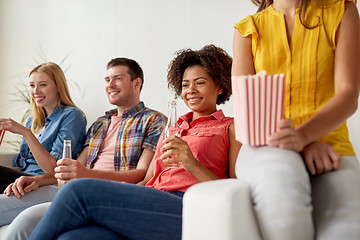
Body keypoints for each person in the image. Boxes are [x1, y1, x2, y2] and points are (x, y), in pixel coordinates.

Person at [28, 44, 241, 240]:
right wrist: (123, 194)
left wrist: (192, 163)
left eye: (200, 83)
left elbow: (235, 190)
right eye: (185, 85)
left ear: (220, 87)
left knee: (77, 191)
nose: (190, 90)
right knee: (74, 237)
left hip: (186, 206)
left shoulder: (230, 127)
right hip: (152, 200)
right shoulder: (173, 129)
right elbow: (148, 179)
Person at [232, 0, 360, 240]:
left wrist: (304, 135)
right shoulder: (246, 31)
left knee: (348, 231)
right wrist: (302, 143)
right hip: (264, 145)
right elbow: (247, 112)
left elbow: (348, 95)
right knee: (285, 207)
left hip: (332, 149)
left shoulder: (343, 11)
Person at [0, 57, 166, 234]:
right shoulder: (100, 123)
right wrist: (37, 180)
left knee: (26, 220)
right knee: (24, 222)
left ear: (136, 83)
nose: (110, 85)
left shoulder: (153, 120)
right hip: (76, 189)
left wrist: (86, 174)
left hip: (106, 193)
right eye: (107, 80)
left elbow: (142, 173)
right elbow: (72, 170)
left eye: (117, 78)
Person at [0, 62, 86, 192]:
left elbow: (54, 170)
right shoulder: (32, 121)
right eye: (32, 85)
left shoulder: (72, 116)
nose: (35, 91)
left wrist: (26, 133)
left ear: (58, 87)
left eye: (43, 85)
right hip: (24, 178)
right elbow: (22, 163)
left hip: (43, 182)